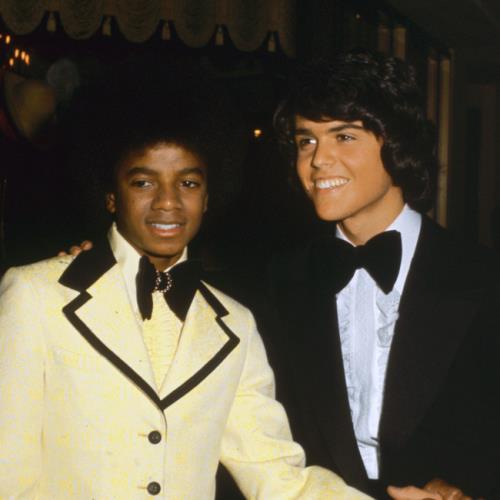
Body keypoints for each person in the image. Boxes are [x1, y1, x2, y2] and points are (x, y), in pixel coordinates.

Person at [0, 75, 369, 499]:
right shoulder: (35, 295)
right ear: (111, 196)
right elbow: (6, 473)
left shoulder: (236, 325)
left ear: (209, 197)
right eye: (143, 182)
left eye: (188, 183)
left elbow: (278, 477)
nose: (168, 201)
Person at [268, 50, 500, 499]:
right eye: (306, 141)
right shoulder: (279, 281)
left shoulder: (485, 280)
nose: (318, 160)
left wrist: (465, 491)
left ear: (396, 143)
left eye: (344, 136)